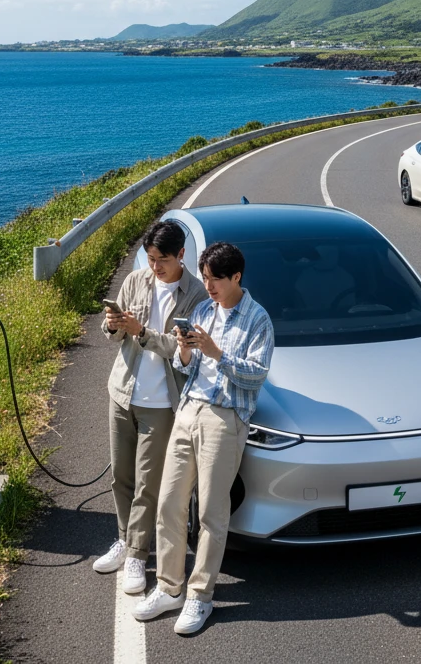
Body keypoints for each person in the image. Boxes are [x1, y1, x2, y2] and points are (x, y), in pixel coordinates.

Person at [132, 241, 274, 636]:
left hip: (225, 417)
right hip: (189, 409)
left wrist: (216, 353)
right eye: (206, 278)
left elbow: (256, 374)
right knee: (169, 502)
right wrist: (186, 351)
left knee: (212, 512)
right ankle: (169, 588)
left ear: (236, 278)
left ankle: (200, 596)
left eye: (214, 280)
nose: (207, 286)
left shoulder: (258, 320)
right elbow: (183, 366)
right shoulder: (202, 310)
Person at [93, 220, 208, 595]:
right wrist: (113, 325)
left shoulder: (196, 296)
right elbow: (110, 334)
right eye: (150, 258)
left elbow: (181, 353)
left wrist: (142, 332)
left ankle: (139, 556)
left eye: (161, 259)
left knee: (147, 484)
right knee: (120, 477)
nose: (154, 266)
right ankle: (125, 541)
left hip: (162, 403)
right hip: (123, 392)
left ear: (180, 255)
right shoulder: (136, 281)